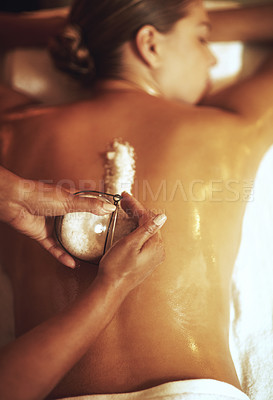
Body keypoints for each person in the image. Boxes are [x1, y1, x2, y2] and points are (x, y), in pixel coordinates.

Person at [0, 0, 272, 399]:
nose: (212, 58)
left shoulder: (15, 129)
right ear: (150, 44)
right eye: (202, 36)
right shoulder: (230, 128)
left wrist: (83, 29)